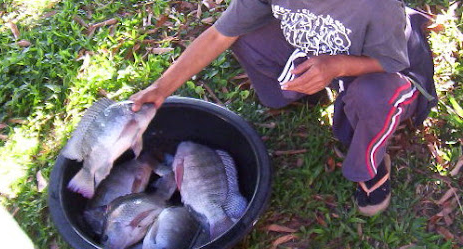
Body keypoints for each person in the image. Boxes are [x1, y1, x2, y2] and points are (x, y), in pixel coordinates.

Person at [130, 0, 438, 216]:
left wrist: (336, 65)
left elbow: (392, 63)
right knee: (244, 32)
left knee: (374, 96)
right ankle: (299, 94)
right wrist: (161, 88)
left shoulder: (377, 5)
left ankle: (369, 164)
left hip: (388, 73)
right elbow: (219, 35)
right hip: (323, 46)